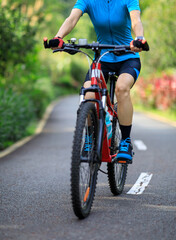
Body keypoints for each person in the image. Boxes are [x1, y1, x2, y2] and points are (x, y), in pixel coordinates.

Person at [52, 0, 149, 163]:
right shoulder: (87, 0)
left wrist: (139, 39)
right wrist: (59, 37)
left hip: (128, 57)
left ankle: (125, 142)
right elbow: (72, 18)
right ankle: (89, 139)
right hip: (103, 58)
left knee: (122, 88)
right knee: (89, 91)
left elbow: (136, 20)